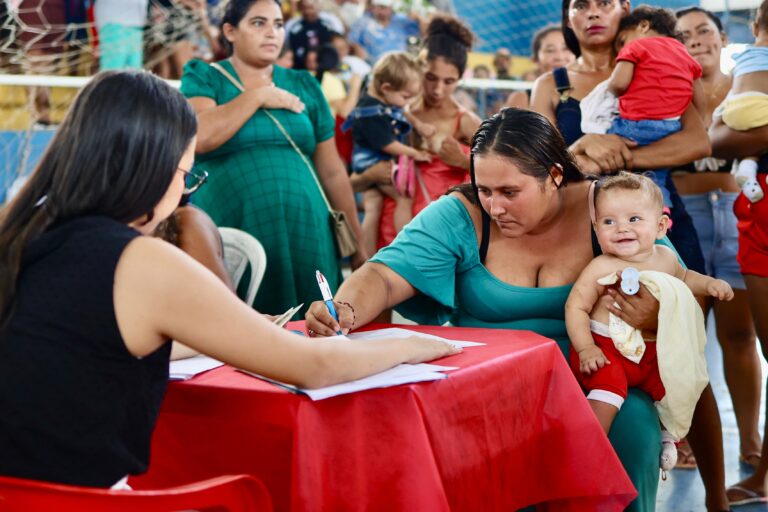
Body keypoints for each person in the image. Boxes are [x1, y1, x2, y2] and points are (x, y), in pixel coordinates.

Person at [0, 70, 457, 489]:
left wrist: (228, 330)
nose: (184, 191)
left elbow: (86, 339)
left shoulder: (18, 232)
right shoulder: (140, 260)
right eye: (185, 175)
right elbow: (314, 367)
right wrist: (413, 343)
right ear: (151, 170)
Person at [310, 108, 676, 511]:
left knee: (634, 429)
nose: (494, 207)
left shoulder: (609, 208)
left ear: (554, 176)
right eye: (484, 189)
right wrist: (343, 308)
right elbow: (381, 274)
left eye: (509, 192)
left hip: (598, 382)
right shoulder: (463, 213)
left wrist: (654, 314)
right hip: (487, 388)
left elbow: (678, 289)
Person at [530, 2, 728, 510]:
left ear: (626, 13)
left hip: (656, 219)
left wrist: (621, 160)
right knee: (608, 334)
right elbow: (540, 164)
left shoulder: (657, 60)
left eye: (605, 3)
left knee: (683, 353)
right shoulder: (554, 84)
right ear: (567, 16)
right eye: (581, 5)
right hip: (583, 224)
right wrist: (584, 150)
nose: (592, 13)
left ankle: (716, 497)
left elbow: (695, 138)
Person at [180, 0, 367, 316]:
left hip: (307, 227)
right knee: (238, 330)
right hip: (234, 223)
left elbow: (333, 171)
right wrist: (258, 96)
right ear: (230, 31)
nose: (271, 33)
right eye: (258, 23)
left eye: (278, 24)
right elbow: (202, 136)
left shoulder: (303, 84)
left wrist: (359, 246)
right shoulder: (205, 77)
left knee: (316, 327)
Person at [566, 172, 732, 473]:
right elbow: (576, 306)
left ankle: (670, 438)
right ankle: (588, 446)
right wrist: (586, 347)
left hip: (650, 352)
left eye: (634, 219)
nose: (621, 229)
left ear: (660, 227)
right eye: (608, 222)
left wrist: (709, 285)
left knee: (677, 385)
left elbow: (685, 278)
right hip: (607, 350)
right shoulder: (601, 266)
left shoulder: (666, 257)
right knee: (609, 387)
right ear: (596, 228)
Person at [673, 6, 761, 473]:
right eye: (684, 34)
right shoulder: (667, 93)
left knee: (739, 334)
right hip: (683, 218)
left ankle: (751, 440)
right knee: (684, 339)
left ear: (723, 37)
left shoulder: (747, 87)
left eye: (704, 30)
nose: (696, 39)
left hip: (737, 215)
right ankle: (686, 441)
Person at [352, 15, 480, 250]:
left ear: (460, 79)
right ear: (418, 67)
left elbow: (502, 175)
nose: (438, 89)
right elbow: (349, 184)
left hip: (438, 240)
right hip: (389, 237)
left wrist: (463, 161)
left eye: (449, 81)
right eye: (430, 77)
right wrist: (369, 176)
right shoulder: (392, 114)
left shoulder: (465, 122)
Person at [595, 5, 705, 209]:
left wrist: (609, 89)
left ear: (643, 26)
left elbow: (618, 84)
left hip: (633, 126)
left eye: (621, 42)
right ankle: (661, 210)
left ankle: (609, 206)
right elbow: (698, 100)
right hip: (670, 130)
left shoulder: (636, 47)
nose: (620, 49)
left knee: (606, 152)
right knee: (657, 176)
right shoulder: (684, 53)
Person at [343, 51, 431, 256]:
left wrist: (417, 124)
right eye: (405, 96)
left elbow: (402, 111)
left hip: (366, 160)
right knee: (403, 198)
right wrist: (414, 153)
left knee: (373, 206)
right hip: (374, 161)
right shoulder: (371, 112)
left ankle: (365, 256)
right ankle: (407, 248)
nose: (406, 102)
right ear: (386, 88)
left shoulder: (381, 100)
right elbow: (387, 144)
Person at [720, 0, 768, 203]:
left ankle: (747, 169)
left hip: (733, 110)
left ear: (754, 28)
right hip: (760, 107)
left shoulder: (743, 55)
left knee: (754, 143)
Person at [506, 23, 575, 110]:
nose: (560, 57)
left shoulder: (591, 95)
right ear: (536, 60)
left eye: (566, 48)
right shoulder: (522, 100)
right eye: (550, 50)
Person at [347, 0, 420, 64]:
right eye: (378, 7)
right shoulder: (362, 22)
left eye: (384, 8)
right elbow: (352, 41)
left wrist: (418, 18)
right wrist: (359, 50)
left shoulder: (401, 21)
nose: (381, 11)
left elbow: (423, 32)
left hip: (399, 65)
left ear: (391, 8)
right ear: (373, 7)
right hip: (373, 65)